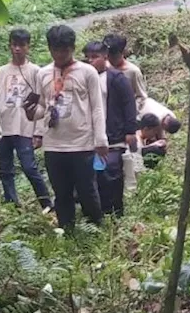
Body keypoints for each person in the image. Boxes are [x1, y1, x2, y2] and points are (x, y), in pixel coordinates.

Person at [29, 25, 108, 232]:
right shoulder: (43, 73)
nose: (60, 54)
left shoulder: (88, 72)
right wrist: (32, 116)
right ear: (49, 49)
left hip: (82, 143)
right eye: (55, 50)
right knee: (61, 192)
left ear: (72, 48)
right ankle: (68, 230)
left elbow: (97, 108)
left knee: (87, 190)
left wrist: (100, 140)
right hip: (54, 144)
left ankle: (95, 228)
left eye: (64, 50)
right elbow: (42, 108)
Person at [0, 29, 54, 211]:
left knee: (29, 167)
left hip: (25, 126)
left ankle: (46, 203)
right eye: (14, 44)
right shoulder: (2, 71)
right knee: (5, 170)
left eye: (21, 45)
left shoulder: (35, 71)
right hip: (4, 126)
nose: (17, 49)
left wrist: (39, 132)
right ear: (9, 46)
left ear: (28, 47)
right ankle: (12, 205)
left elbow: (41, 102)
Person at [85, 43, 136, 218]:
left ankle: (116, 211)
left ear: (105, 56)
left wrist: (130, 131)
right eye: (88, 57)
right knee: (97, 174)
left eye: (95, 56)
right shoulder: (85, 77)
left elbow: (129, 103)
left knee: (113, 173)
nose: (91, 61)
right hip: (92, 137)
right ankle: (101, 211)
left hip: (114, 136)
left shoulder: (116, 78)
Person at [103, 33, 146, 193]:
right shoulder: (102, 70)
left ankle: (134, 187)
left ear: (122, 52)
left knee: (132, 153)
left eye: (114, 54)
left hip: (128, 121)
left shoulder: (132, 71)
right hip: (108, 121)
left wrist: (132, 116)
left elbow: (142, 96)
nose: (110, 58)